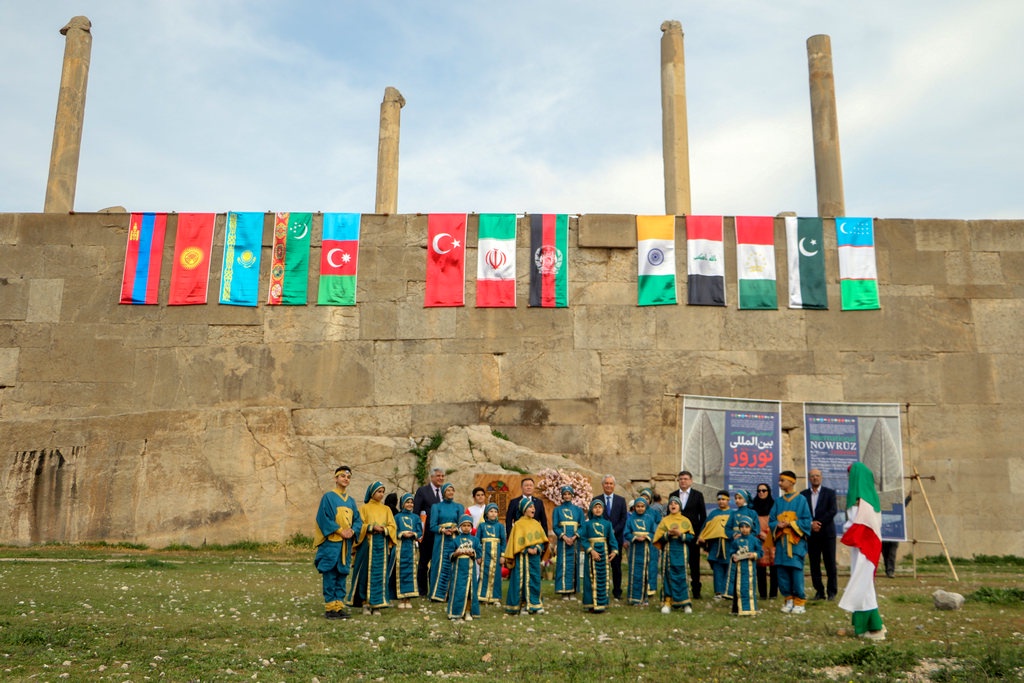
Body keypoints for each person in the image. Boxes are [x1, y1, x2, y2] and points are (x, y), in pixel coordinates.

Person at [839, 462, 887, 640]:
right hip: (870, 548)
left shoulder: (857, 502)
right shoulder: (872, 500)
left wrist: (845, 531)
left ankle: (874, 628)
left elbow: (852, 526)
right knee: (865, 584)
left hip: (862, 549)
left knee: (862, 585)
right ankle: (868, 626)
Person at [313, 465, 363, 620]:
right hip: (332, 544)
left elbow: (358, 520)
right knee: (330, 573)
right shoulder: (328, 497)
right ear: (336, 478)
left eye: (348, 477)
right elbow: (323, 518)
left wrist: (353, 530)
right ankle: (330, 607)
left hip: (345, 545)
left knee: (342, 573)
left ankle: (339, 606)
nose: (345, 479)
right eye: (343, 476)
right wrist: (340, 530)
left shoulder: (351, 501)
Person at [349, 481, 397, 615]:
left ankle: (377, 604)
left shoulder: (386, 509)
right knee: (365, 573)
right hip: (367, 546)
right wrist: (371, 527)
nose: (381, 494)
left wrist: (384, 529)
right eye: (378, 491)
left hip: (381, 546)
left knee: (379, 574)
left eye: (383, 492)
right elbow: (359, 525)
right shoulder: (364, 508)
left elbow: (393, 526)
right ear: (372, 493)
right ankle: (365, 603)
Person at [769, 470, 812, 614]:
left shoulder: (801, 500)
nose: (779, 483)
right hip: (781, 543)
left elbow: (807, 521)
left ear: (792, 482)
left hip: (795, 542)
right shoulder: (778, 502)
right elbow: (771, 520)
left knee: (795, 570)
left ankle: (799, 601)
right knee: (782, 571)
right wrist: (777, 525)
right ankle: (788, 599)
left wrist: (791, 524)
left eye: (782, 480)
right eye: (779, 480)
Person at [503, 497, 548, 615]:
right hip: (522, 559)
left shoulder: (536, 524)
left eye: (533, 507)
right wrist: (527, 549)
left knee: (535, 579)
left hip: (534, 559)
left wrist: (537, 548)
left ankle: (535, 604)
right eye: (530, 507)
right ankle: (522, 605)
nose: (533, 509)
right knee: (521, 581)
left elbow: (542, 541)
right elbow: (515, 544)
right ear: (524, 509)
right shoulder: (518, 525)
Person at [653, 495, 694, 614]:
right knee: (668, 575)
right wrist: (668, 534)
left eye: (675, 503)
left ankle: (685, 603)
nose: (673, 505)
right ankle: (667, 602)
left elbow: (691, 537)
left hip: (682, 552)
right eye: (671, 503)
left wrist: (680, 534)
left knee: (683, 576)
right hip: (668, 553)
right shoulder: (665, 521)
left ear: (679, 506)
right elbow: (658, 538)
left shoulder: (686, 521)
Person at [801, 468, 838, 600]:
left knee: (830, 564)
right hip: (812, 535)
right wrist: (811, 524)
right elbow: (801, 513)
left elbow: (833, 510)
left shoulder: (830, 493)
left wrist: (818, 523)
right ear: (809, 479)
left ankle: (832, 592)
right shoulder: (803, 495)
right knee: (814, 564)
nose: (815, 478)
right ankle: (819, 591)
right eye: (812, 476)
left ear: (821, 477)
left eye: (817, 476)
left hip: (827, 534)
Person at [669, 470, 707, 599]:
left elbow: (703, 517)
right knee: (678, 563)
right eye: (681, 479)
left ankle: (696, 591)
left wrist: (700, 535)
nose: (683, 481)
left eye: (685, 479)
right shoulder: (673, 495)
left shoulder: (698, 495)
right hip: (676, 536)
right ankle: (677, 589)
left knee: (694, 564)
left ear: (691, 481)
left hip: (693, 536)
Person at [580, 497, 618, 614]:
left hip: (604, 552)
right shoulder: (587, 524)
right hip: (592, 554)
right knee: (590, 578)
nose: (597, 509)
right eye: (595, 507)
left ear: (603, 509)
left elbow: (612, 539)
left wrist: (614, 551)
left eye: (600, 507)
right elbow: (583, 538)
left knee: (603, 577)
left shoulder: (608, 524)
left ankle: (602, 603)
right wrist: (591, 550)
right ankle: (591, 603)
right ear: (591, 509)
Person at [413, 467, 446, 596]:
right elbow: (416, 511)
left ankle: (435, 588)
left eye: (442, 476)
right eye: (438, 476)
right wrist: (417, 532)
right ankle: (422, 590)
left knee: (437, 562)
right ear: (431, 477)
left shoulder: (444, 492)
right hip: (426, 534)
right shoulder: (423, 491)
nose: (441, 478)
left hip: (440, 534)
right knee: (423, 563)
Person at [428, 482, 463, 602]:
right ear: (443, 492)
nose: (451, 492)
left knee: (454, 564)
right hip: (441, 540)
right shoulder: (436, 507)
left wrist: (456, 529)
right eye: (448, 490)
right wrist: (442, 530)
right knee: (439, 564)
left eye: (452, 490)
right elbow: (432, 526)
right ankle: (437, 594)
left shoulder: (459, 507)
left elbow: (462, 524)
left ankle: (451, 594)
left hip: (454, 539)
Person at [550, 485, 585, 599]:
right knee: (563, 565)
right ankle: (564, 591)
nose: (567, 496)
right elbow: (555, 526)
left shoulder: (578, 510)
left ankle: (573, 591)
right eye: (564, 494)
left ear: (572, 495)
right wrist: (564, 537)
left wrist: (574, 537)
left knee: (574, 565)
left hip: (574, 542)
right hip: (562, 542)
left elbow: (582, 526)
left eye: (569, 494)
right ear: (562, 496)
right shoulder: (557, 510)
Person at [447, 514, 482, 621]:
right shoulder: (455, 540)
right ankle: (457, 613)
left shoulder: (475, 540)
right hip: (459, 571)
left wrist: (474, 554)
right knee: (459, 591)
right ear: (460, 527)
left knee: (470, 591)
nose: (466, 527)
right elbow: (449, 554)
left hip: (471, 570)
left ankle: (468, 611)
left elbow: (479, 554)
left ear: (471, 527)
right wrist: (456, 553)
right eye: (464, 525)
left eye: (468, 525)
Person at [699, 490, 733, 599]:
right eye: (719, 500)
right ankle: (718, 592)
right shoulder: (713, 513)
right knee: (717, 568)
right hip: (715, 545)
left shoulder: (733, 514)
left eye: (723, 499)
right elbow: (706, 527)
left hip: (729, 545)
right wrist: (701, 536)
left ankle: (728, 591)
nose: (721, 502)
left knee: (729, 567)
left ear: (728, 500)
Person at [599, 475, 628, 600]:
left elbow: (623, 519)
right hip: (600, 539)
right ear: (603, 485)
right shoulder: (597, 500)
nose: (608, 485)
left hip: (616, 539)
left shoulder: (621, 501)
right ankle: (601, 590)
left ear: (614, 485)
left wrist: (613, 531)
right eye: (606, 483)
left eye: (611, 483)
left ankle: (617, 592)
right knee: (600, 566)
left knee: (616, 567)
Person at [391, 493, 422, 609]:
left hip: (411, 548)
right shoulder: (397, 517)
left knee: (410, 571)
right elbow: (393, 530)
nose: (410, 504)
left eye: (411, 502)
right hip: (400, 547)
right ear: (403, 504)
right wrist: (401, 534)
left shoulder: (416, 517)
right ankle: (400, 598)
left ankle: (408, 598)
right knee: (400, 571)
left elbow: (420, 532)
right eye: (407, 502)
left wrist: (413, 534)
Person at [727, 518, 762, 616]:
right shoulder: (736, 541)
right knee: (738, 589)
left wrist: (754, 555)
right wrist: (734, 556)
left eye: (747, 527)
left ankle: (750, 609)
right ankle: (738, 609)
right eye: (741, 527)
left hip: (750, 569)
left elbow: (760, 552)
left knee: (749, 588)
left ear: (751, 528)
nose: (744, 529)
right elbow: (732, 551)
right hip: (739, 570)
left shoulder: (755, 540)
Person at [624, 496, 655, 606]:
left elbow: (653, 532)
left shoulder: (649, 519)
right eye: (638, 506)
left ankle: (644, 598)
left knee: (645, 573)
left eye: (642, 506)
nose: (640, 508)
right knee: (634, 573)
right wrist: (635, 538)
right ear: (634, 507)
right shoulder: (630, 519)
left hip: (645, 549)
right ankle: (634, 598)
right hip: (634, 549)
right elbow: (626, 533)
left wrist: (646, 537)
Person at [751, 482, 778, 600]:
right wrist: (758, 533)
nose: (761, 493)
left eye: (764, 490)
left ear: (769, 492)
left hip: (771, 538)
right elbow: (750, 523)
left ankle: (773, 594)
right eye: (759, 491)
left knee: (774, 567)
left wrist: (768, 534)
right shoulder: (752, 507)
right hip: (758, 540)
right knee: (760, 568)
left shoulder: (774, 505)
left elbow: (777, 521)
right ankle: (762, 594)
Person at [477, 502, 506, 605]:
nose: (493, 514)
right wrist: (478, 555)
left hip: (496, 556)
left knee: (496, 575)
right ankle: (483, 596)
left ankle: (495, 597)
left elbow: (503, 541)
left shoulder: (500, 526)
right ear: (486, 513)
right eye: (491, 511)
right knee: (483, 575)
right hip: (485, 556)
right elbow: (477, 542)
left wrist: (503, 555)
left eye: (495, 512)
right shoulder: (481, 526)